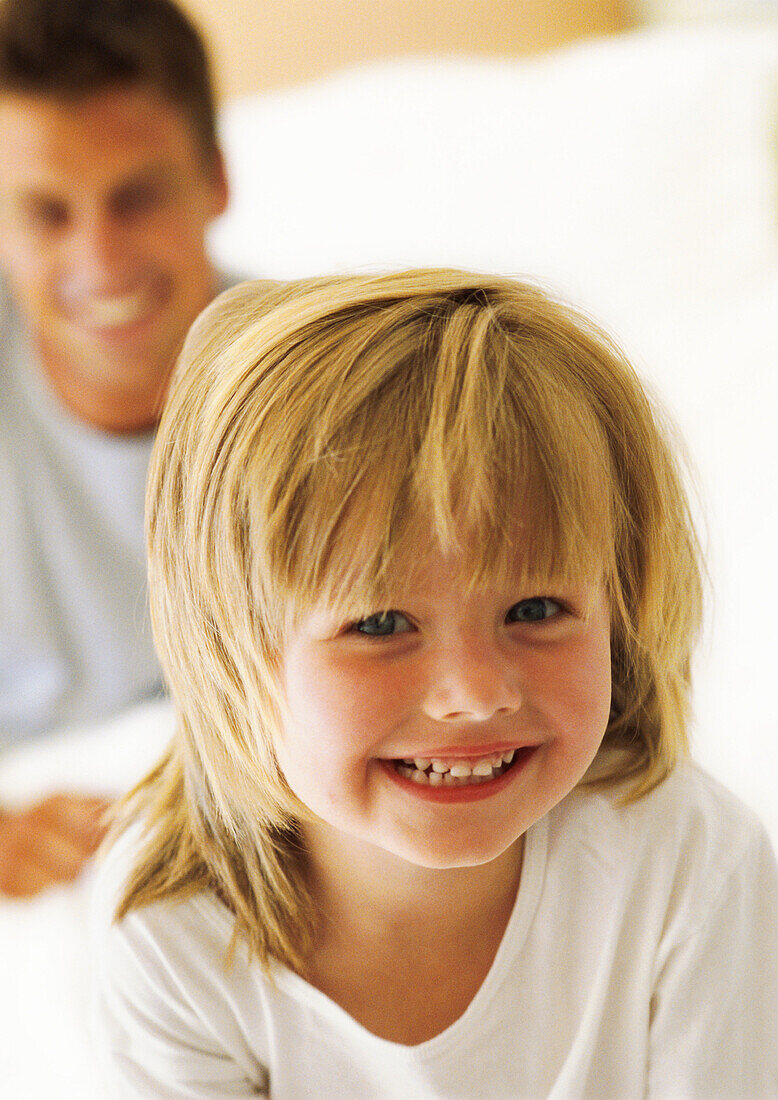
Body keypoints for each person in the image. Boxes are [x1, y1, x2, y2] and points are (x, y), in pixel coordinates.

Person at [95, 271, 778, 1096]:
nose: (475, 694)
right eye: (380, 624)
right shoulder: (170, 934)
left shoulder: (691, 866)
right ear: (226, 647)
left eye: (535, 607)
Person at [0, 0, 238, 898]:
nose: (100, 262)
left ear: (215, 179)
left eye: (136, 198)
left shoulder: (335, 389)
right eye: (47, 213)